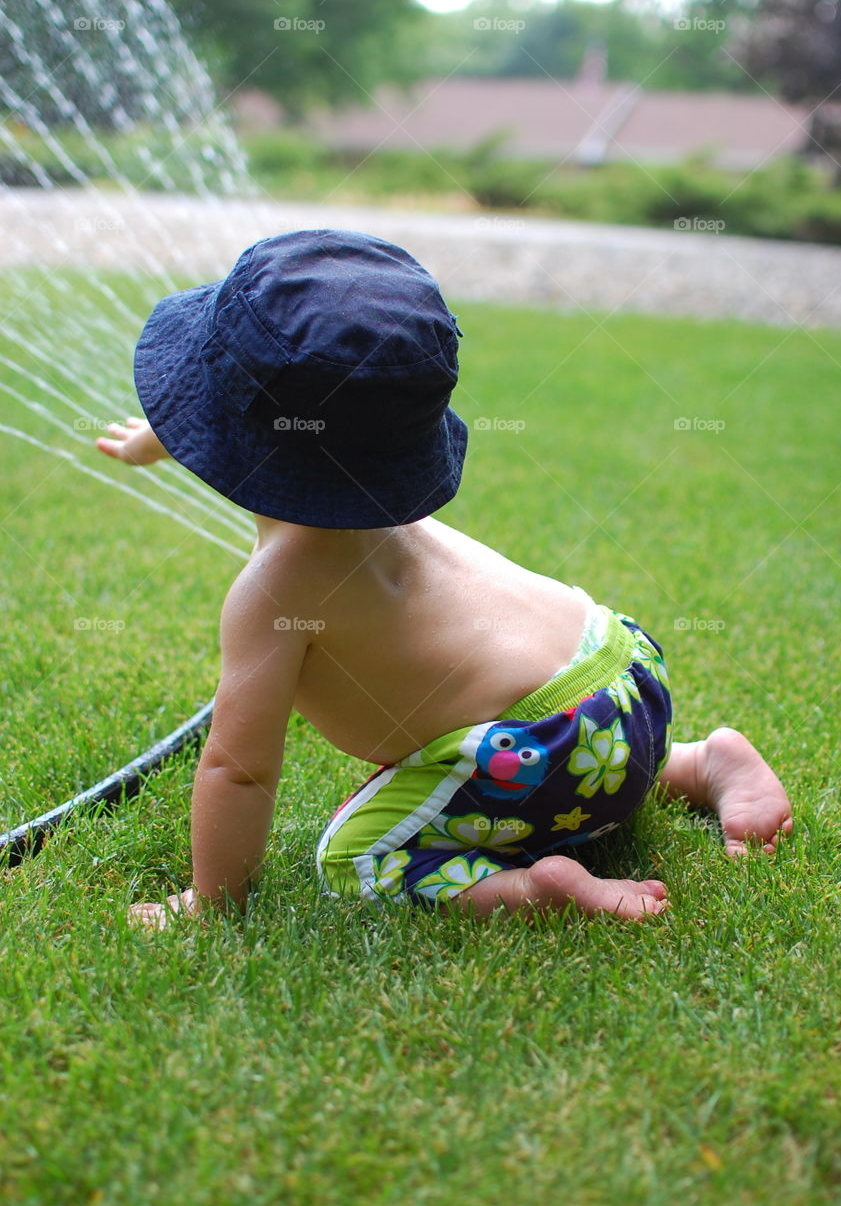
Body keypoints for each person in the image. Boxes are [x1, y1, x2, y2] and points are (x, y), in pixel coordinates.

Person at [97, 230, 793, 930]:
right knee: (579, 743)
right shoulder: (383, 504)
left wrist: (211, 902)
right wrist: (155, 439)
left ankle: (530, 888)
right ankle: (701, 763)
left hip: (540, 756)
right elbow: (255, 428)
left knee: (355, 858)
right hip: (625, 678)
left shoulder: (273, 593)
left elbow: (239, 770)